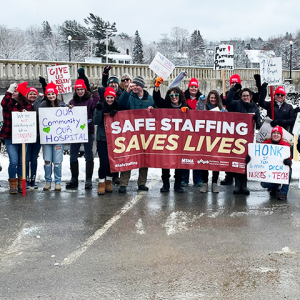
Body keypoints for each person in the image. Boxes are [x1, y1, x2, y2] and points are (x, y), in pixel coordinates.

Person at [220, 74, 261, 186]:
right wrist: (234, 88)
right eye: (244, 95)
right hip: (235, 136)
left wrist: (257, 120)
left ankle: (243, 184)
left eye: (247, 95)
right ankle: (230, 178)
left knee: (245, 160)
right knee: (232, 157)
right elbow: (227, 101)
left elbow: (258, 125)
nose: (246, 97)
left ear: (250, 96)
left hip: (248, 138)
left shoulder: (255, 108)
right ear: (241, 96)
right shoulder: (237, 103)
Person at [117, 76, 156, 193]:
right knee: (127, 157)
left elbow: (157, 112)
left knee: (144, 158)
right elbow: (121, 105)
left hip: (145, 134)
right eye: (133, 85)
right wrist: (127, 91)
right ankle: (123, 183)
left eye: (137, 85)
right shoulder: (129, 96)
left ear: (142, 86)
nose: (135, 87)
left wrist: (153, 109)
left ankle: (142, 183)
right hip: (130, 132)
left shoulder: (149, 98)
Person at [153, 77, 190, 193]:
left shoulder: (185, 106)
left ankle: (178, 185)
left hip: (181, 140)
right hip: (167, 139)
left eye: (176, 95)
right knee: (165, 163)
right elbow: (157, 98)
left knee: (179, 163)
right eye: (171, 96)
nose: (174, 98)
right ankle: (165, 185)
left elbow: (195, 118)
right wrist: (157, 87)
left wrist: (188, 111)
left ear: (180, 96)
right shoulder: (165, 105)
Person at [66, 79, 100, 190]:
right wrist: (68, 108)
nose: (80, 91)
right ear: (75, 91)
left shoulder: (90, 100)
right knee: (73, 155)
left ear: (85, 90)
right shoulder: (72, 101)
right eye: (78, 89)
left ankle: (88, 179)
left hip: (88, 130)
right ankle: (74, 178)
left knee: (89, 154)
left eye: (82, 89)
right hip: (75, 133)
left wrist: (96, 94)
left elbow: (96, 106)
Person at [0, 82, 33, 193]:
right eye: (12, 91)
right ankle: (12, 184)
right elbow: (3, 103)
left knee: (21, 161)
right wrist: (9, 91)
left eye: (15, 91)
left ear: (21, 94)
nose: (13, 93)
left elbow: (32, 121)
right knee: (13, 161)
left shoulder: (28, 106)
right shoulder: (9, 103)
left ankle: (20, 183)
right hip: (10, 136)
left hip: (24, 137)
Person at [37, 82, 66, 191]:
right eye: (49, 94)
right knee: (47, 161)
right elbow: (36, 111)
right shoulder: (43, 104)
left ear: (56, 94)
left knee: (57, 162)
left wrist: (70, 108)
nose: (51, 96)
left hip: (58, 138)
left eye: (53, 94)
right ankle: (48, 181)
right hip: (46, 138)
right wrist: (39, 99)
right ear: (46, 95)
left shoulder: (62, 104)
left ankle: (58, 182)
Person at [196, 90, 226, 193]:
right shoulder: (204, 107)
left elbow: (229, 120)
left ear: (217, 99)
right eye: (211, 98)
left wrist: (225, 115)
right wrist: (200, 100)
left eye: (215, 98)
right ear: (208, 98)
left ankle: (214, 183)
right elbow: (197, 111)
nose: (213, 100)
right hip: (205, 139)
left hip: (217, 140)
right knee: (205, 161)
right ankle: (205, 183)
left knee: (215, 161)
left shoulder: (222, 109)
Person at [253, 126, 292, 200]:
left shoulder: (285, 146)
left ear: (281, 135)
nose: (276, 135)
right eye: (274, 133)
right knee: (264, 184)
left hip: (280, 169)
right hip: (268, 170)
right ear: (271, 134)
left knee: (289, 171)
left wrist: (288, 162)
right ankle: (275, 186)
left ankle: (283, 192)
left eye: (278, 133)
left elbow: (289, 160)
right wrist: (251, 158)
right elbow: (258, 157)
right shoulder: (264, 144)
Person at [93, 87, 120, 195]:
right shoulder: (100, 106)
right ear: (105, 98)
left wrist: (116, 113)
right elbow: (96, 121)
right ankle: (101, 182)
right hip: (102, 138)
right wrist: (99, 110)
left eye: (111, 97)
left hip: (114, 138)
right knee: (103, 162)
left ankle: (108, 181)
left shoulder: (117, 107)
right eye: (108, 97)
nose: (109, 99)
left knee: (111, 162)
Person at [181, 78, 204, 187]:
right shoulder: (183, 97)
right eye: (191, 87)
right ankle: (184, 179)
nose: (193, 88)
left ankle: (198, 179)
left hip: (198, 130)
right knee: (185, 154)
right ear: (188, 87)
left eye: (195, 87)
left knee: (197, 155)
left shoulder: (202, 98)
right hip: (185, 129)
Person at [25, 87, 42, 189]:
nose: (33, 95)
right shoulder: (24, 105)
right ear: (27, 95)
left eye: (34, 94)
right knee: (26, 158)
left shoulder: (41, 103)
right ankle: (26, 178)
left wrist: (39, 99)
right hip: (26, 135)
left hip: (38, 135)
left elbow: (37, 110)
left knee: (34, 158)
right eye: (30, 94)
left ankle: (33, 178)